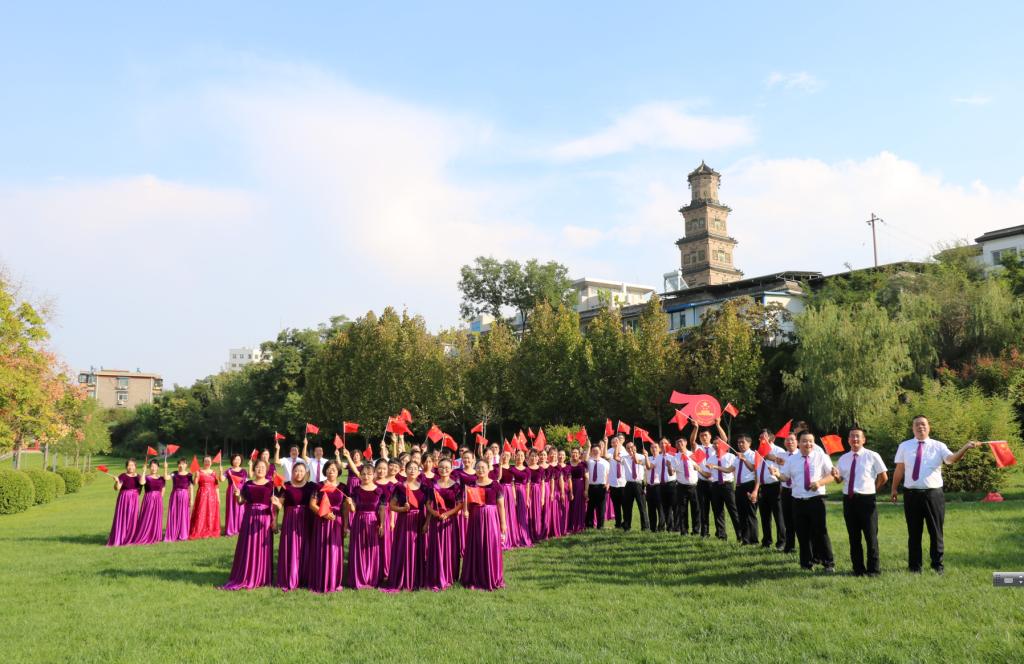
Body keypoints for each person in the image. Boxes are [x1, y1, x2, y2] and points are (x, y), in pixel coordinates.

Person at [890, 416, 980, 574]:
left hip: (933, 495)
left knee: (936, 531)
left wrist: (965, 447)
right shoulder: (904, 446)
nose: (920, 427)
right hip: (911, 495)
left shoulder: (939, 446)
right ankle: (914, 567)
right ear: (912, 428)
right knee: (914, 532)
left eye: (923, 424)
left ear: (929, 427)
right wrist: (894, 489)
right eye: (917, 425)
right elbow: (899, 469)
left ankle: (937, 565)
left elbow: (951, 459)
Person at [770, 431, 836, 573]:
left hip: (816, 499)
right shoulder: (792, 460)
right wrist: (777, 474)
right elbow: (785, 477)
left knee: (821, 532)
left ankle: (828, 563)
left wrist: (819, 483)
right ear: (799, 443)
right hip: (798, 500)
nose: (808, 444)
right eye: (804, 441)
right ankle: (806, 563)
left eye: (811, 441)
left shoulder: (821, 457)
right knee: (802, 533)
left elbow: (832, 475)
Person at [831, 428, 888, 576]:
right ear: (848, 440)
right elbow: (839, 480)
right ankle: (857, 569)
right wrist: (835, 475)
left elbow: (884, 477)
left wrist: (873, 489)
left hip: (867, 499)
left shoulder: (872, 455)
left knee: (871, 536)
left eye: (858, 437)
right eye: (852, 437)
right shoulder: (843, 458)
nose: (855, 439)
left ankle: (873, 570)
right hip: (849, 500)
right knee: (853, 536)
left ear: (863, 440)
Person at [222, 459, 276, 590]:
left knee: (262, 548)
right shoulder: (248, 484)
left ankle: (262, 576)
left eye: (263, 467)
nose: (260, 469)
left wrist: (274, 520)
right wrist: (237, 496)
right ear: (254, 469)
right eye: (258, 467)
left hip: (264, 519)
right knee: (248, 546)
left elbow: (274, 506)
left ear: (267, 470)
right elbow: (241, 502)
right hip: (249, 518)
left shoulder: (271, 485)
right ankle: (247, 574)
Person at [460, 460, 507, 591]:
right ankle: (474, 577)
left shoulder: (496, 485)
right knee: (476, 545)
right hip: (475, 519)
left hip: (491, 518)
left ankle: (491, 576)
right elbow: (467, 502)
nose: (480, 470)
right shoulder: (471, 485)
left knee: (490, 545)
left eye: (483, 467)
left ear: (488, 469)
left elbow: (501, 506)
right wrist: (466, 510)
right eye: (478, 468)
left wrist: (503, 523)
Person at [343, 464, 387, 589]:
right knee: (358, 548)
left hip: (373, 521)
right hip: (359, 521)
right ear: (360, 475)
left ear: (374, 475)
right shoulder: (356, 490)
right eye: (363, 474)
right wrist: (350, 504)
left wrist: (382, 524)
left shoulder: (380, 491)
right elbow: (353, 509)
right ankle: (358, 578)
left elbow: (382, 509)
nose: (366, 476)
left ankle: (372, 578)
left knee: (372, 549)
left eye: (369, 474)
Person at [306, 461, 347, 593]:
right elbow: (312, 504)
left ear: (338, 471)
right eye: (329, 468)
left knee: (335, 551)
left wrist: (345, 525)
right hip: (322, 522)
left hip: (337, 522)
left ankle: (333, 580)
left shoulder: (343, 487)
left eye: (334, 469)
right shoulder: (318, 486)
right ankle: (320, 580)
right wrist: (324, 514)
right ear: (325, 470)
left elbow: (345, 508)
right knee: (321, 549)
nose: (331, 471)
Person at [424, 458, 463, 590]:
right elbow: (427, 504)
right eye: (441, 467)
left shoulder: (456, 486)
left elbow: (460, 505)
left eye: (446, 467)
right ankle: (435, 576)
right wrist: (434, 513)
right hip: (436, 520)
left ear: (451, 469)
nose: (444, 470)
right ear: (437, 469)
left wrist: (448, 513)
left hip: (450, 522)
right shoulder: (432, 485)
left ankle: (450, 576)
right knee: (436, 548)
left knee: (451, 548)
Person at [276, 460, 315, 591]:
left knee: (306, 546)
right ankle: (291, 576)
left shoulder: (312, 486)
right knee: (291, 547)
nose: (299, 473)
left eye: (302, 471)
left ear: (306, 473)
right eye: (296, 471)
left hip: (307, 520)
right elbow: (280, 504)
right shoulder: (286, 486)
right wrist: (276, 503)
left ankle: (306, 577)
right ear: (292, 472)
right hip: (290, 520)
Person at [705, 429, 740, 541]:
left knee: (733, 510)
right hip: (715, 486)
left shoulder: (730, 456)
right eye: (714, 444)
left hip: (727, 485)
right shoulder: (710, 458)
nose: (716, 445)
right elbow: (708, 474)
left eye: (718, 443)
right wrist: (698, 469)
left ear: (723, 445)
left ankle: (740, 535)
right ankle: (721, 535)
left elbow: (732, 471)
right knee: (717, 511)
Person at [755, 430, 787, 550]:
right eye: (760, 437)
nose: (761, 439)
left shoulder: (779, 450)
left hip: (776, 485)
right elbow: (757, 470)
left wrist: (772, 457)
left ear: (771, 438)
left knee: (778, 516)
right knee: (765, 516)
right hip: (763, 487)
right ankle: (766, 541)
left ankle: (781, 542)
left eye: (764, 436)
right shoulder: (759, 452)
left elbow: (785, 465)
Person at [130, 459, 166, 545]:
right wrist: (144, 471)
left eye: (155, 466)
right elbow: (142, 482)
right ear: (149, 467)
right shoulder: (146, 477)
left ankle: (155, 536)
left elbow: (163, 490)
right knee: (147, 517)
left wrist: (159, 500)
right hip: (149, 499)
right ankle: (144, 535)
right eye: (152, 466)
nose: (153, 468)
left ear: (158, 467)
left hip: (158, 500)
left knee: (156, 518)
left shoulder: (162, 478)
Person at [106, 459, 142, 546]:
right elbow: (117, 488)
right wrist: (117, 481)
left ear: (135, 466)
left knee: (133, 518)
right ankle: (121, 538)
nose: (131, 467)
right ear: (126, 467)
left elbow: (140, 489)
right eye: (129, 465)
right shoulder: (122, 476)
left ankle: (131, 538)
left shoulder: (139, 477)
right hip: (124, 499)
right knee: (123, 518)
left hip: (134, 499)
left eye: (132, 465)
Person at [732, 435, 760, 545]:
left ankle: (754, 540)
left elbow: (753, 468)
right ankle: (745, 539)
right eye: (738, 442)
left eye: (742, 442)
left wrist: (744, 459)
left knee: (750, 514)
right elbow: (730, 469)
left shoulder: (753, 455)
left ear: (749, 443)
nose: (740, 444)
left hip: (749, 485)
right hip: (739, 487)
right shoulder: (737, 456)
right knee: (741, 514)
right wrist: (716, 467)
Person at [672, 439, 704, 536]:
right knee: (682, 509)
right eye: (677, 442)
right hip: (681, 486)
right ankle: (684, 531)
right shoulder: (675, 458)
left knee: (696, 509)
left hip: (694, 486)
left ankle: (696, 530)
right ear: (676, 445)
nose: (679, 444)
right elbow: (671, 472)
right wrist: (669, 467)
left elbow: (701, 467)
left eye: (681, 442)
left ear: (686, 443)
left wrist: (698, 467)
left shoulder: (693, 454)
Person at [189, 456, 221, 539]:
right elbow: (195, 483)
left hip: (212, 495)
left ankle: (210, 529)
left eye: (209, 461)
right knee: (201, 511)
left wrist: (218, 498)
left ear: (211, 462)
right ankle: (199, 530)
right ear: (203, 462)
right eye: (206, 461)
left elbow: (216, 486)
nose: (207, 463)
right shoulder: (199, 471)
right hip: (202, 494)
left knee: (211, 512)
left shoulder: (214, 472)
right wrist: (196, 476)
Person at [778, 432, 799, 553]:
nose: (789, 442)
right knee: (787, 520)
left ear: (797, 442)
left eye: (792, 440)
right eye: (787, 440)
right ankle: (789, 546)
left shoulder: (801, 455)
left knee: (799, 520)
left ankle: (805, 547)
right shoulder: (781, 455)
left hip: (797, 490)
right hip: (786, 490)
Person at [692, 425, 715, 538]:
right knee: (703, 508)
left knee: (717, 509)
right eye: (701, 436)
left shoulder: (715, 447)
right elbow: (692, 441)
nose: (704, 437)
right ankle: (704, 532)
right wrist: (696, 428)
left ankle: (721, 533)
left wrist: (718, 424)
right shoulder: (698, 448)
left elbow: (725, 440)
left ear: (710, 436)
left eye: (706, 435)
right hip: (702, 482)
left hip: (715, 482)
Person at [646, 440, 673, 531]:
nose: (654, 449)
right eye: (652, 447)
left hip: (659, 485)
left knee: (660, 507)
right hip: (649, 486)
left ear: (659, 449)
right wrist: (645, 456)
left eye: (656, 447)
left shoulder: (664, 457)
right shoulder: (648, 458)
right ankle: (653, 528)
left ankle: (662, 527)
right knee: (651, 507)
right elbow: (647, 466)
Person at [164, 458, 193, 542]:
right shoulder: (174, 473)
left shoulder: (189, 475)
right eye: (180, 464)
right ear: (178, 465)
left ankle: (183, 534)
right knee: (174, 513)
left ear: (186, 465)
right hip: (175, 495)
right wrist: (165, 468)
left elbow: (191, 487)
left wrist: (191, 499)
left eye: (183, 464)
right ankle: (173, 533)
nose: (181, 465)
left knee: (183, 514)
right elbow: (166, 478)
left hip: (184, 495)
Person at [509, 450, 534, 547]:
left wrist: (527, 499)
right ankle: (515, 537)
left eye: (521, 455)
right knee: (513, 515)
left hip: (523, 492)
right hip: (513, 492)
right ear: (515, 457)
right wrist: (514, 497)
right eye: (518, 455)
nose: (519, 457)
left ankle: (523, 536)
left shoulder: (527, 470)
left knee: (523, 515)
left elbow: (528, 485)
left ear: (524, 458)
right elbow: (511, 483)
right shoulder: (511, 469)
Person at [605, 436, 628, 529]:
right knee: (616, 505)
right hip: (613, 483)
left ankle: (626, 522)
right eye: (613, 442)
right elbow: (605, 456)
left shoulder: (625, 451)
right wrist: (606, 443)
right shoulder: (610, 451)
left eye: (617, 441)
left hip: (623, 483)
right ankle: (618, 523)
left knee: (625, 505)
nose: (615, 443)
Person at [223, 454, 248, 536]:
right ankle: (230, 529)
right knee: (231, 509)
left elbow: (247, 482)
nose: (237, 461)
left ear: (241, 461)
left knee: (241, 509)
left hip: (241, 491)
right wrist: (221, 472)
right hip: (231, 491)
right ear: (232, 461)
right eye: (235, 459)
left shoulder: (244, 471)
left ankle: (240, 528)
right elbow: (222, 479)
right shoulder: (228, 471)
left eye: (238, 459)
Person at [585, 445, 610, 529]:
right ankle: (589, 525)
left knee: (601, 507)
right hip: (591, 486)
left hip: (601, 486)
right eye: (594, 450)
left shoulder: (605, 462)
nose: (595, 452)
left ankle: (600, 525)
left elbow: (609, 474)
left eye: (597, 450)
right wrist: (588, 447)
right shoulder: (588, 461)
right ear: (591, 451)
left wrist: (608, 484)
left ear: (600, 451)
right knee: (590, 506)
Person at [525, 450, 547, 541]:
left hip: (537, 492)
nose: (534, 458)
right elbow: (526, 484)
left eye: (535, 456)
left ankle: (538, 533)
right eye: (532, 456)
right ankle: (530, 534)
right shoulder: (526, 469)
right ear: (529, 457)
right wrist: (527, 498)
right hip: (529, 492)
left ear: (538, 458)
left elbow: (543, 484)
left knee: (537, 513)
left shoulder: (541, 470)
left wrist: (542, 497)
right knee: (529, 513)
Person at [567, 447, 588, 534]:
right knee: (570, 506)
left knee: (579, 506)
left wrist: (586, 490)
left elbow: (587, 477)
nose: (574, 454)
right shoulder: (567, 464)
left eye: (576, 453)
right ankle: (570, 525)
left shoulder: (583, 464)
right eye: (573, 452)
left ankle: (579, 525)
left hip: (580, 487)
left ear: (579, 454)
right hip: (570, 486)